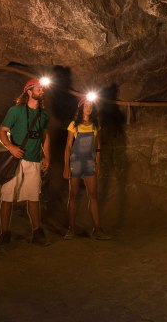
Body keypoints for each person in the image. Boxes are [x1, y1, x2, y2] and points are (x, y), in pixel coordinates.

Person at [0, 78, 51, 249]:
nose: (42, 91)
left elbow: (45, 137)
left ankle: (37, 231)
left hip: (34, 161)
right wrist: (10, 147)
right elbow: (2, 131)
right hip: (16, 160)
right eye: (39, 89)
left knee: (34, 197)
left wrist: (47, 157)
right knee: (7, 198)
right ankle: (5, 234)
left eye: (42, 89)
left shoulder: (44, 115)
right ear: (29, 91)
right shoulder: (16, 110)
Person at [63, 97, 111, 240]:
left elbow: (98, 146)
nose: (88, 108)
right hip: (76, 162)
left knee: (93, 196)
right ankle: (71, 229)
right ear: (81, 108)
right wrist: (66, 166)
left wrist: (98, 163)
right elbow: (68, 146)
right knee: (73, 196)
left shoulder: (95, 125)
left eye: (90, 106)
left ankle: (97, 230)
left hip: (90, 162)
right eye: (86, 106)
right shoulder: (74, 125)